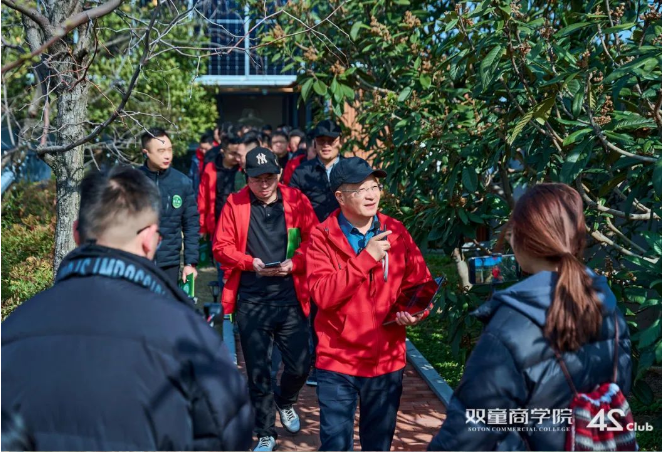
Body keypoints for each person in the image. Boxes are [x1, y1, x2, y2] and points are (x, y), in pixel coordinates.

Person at [1, 166, 253, 450]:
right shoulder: (189, 336)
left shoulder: (12, 330)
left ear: (76, 234)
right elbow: (230, 433)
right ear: (149, 239)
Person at [428, 183, 632, 451]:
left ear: (522, 239)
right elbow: (618, 386)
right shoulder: (607, 305)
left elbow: (470, 429)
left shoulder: (511, 324)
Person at [306, 157, 434, 451]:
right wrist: (367, 258)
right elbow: (323, 295)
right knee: (335, 444)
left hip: (385, 360)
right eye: (361, 189)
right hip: (338, 360)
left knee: (378, 444)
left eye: (375, 187)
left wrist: (416, 312)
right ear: (340, 197)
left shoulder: (396, 230)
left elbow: (419, 283)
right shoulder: (321, 236)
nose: (371, 195)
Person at [213, 148, 318, 452]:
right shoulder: (235, 203)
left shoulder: (296, 200)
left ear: (278, 174)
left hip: (290, 297)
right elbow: (221, 246)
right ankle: (266, 432)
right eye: (257, 178)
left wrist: (295, 263)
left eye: (269, 177)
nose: (263, 184)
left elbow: (314, 240)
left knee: (300, 365)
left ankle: (285, 400)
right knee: (258, 371)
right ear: (246, 177)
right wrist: (250, 263)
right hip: (252, 299)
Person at [139, 128, 199, 284]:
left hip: (169, 263)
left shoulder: (182, 182)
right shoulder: (133, 181)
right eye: (161, 151)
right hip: (138, 262)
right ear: (146, 153)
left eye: (169, 150)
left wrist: (190, 263)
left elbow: (191, 225)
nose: (167, 155)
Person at [290, 119, 343, 222]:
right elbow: (292, 205)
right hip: (311, 228)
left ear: (341, 142)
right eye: (321, 140)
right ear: (314, 143)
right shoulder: (301, 172)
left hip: (345, 229)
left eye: (331, 140)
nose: (326, 145)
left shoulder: (351, 169)